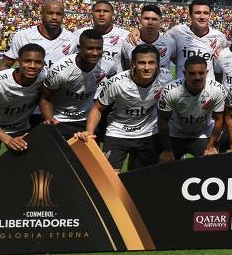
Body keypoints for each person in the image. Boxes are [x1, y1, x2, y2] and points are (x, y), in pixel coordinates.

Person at [74, 44, 173, 172]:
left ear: (157, 65)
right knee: (110, 177)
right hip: (118, 132)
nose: (147, 68)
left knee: (141, 176)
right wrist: (89, 133)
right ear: (133, 64)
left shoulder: (166, 78)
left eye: (151, 63)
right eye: (142, 63)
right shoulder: (117, 83)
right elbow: (97, 108)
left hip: (148, 134)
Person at [0, 44, 46, 173]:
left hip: (20, 129)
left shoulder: (43, 79)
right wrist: (8, 140)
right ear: (18, 62)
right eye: (27, 61)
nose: (32, 66)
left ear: (43, 64)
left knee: (29, 172)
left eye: (38, 62)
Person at [39, 29, 116, 139]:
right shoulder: (60, 70)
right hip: (61, 120)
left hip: (88, 120)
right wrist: (50, 120)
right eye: (90, 48)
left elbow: (112, 78)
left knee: (89, 156)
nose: (95, 53)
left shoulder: (108, 64)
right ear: (79, 48)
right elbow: (44, 97)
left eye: (98, 48)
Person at [158, 56, 227, 158]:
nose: (197, 77)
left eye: (201, 73)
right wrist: (167, 150)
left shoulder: (217, 89)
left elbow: (219, 119)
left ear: (207, 72)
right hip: (176, 133)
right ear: (184, 73)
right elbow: (163, 121)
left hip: (202, 133)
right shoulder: (170, 90)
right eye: (192, 73)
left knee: (211, 163)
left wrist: (211, 146)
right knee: (166, 164)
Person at [0, 0, 71, 71]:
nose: (54, 17)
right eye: (50, 13)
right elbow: (4, 65)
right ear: (41, 13)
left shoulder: (72, 39)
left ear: (63, 16)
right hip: (28, 85)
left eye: (59, 14)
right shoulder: (22, 36)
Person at [167, 0, 226, 79]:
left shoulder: (219, 36)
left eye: (205, 13)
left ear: (210, 15)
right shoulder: (176, 32)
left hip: (208, 89)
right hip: (182, 87)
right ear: (190, 15)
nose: (202, 17)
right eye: (198, 13)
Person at [70, 1, 130, 71]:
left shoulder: (125, 36)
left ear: (112, 14)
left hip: (114, 80)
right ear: (92, 13)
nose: (101, 14)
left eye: (106, 11)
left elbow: (129, 66)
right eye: (98, 11)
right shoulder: (78, 34)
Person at [121, 4, 174, 70]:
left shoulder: (170, 42)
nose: (150, 22)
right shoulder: (130, 41)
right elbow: (127, 67)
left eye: (154, 19)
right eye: (146, 18)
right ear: (140, 20)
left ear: (161, 22)